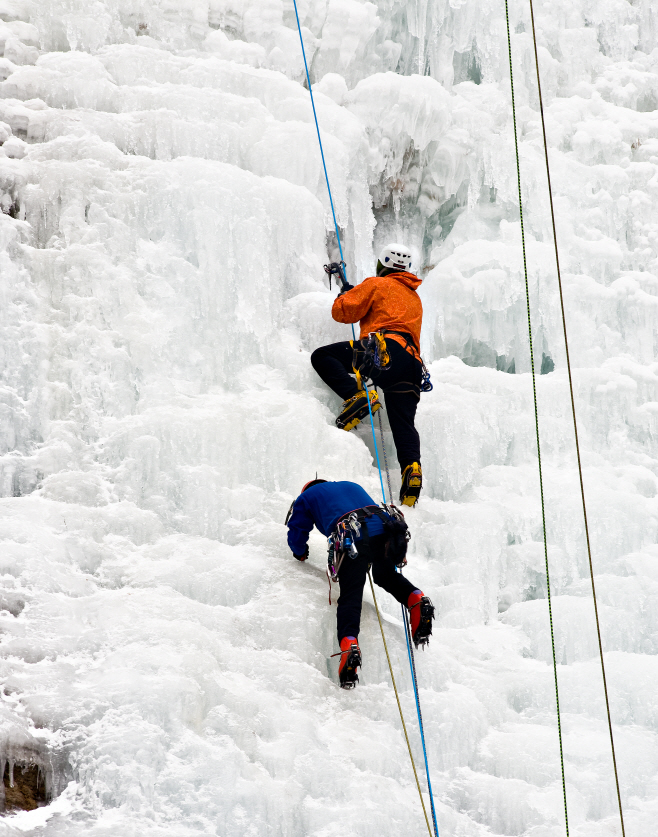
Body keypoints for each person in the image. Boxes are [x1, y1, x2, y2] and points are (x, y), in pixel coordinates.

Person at [286, 478, 434, 689]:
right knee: (385, 575)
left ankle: (349, 645)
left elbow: (297, 530)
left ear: (306, 489)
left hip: (351, 536)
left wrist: (299, 553)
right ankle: (417, 599)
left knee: (351, 596)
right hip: (385, 531)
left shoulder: (307, 497)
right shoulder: (350, 485)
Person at [311, 243, 426, 507]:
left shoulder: (377, 284)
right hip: (412, 365)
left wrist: (347, 295)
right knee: (403, 424)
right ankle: (412, 469)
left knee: (323, 356)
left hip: (384, 352)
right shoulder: (414, 297)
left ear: (381, 265)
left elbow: (343, 312)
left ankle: (357, 398)